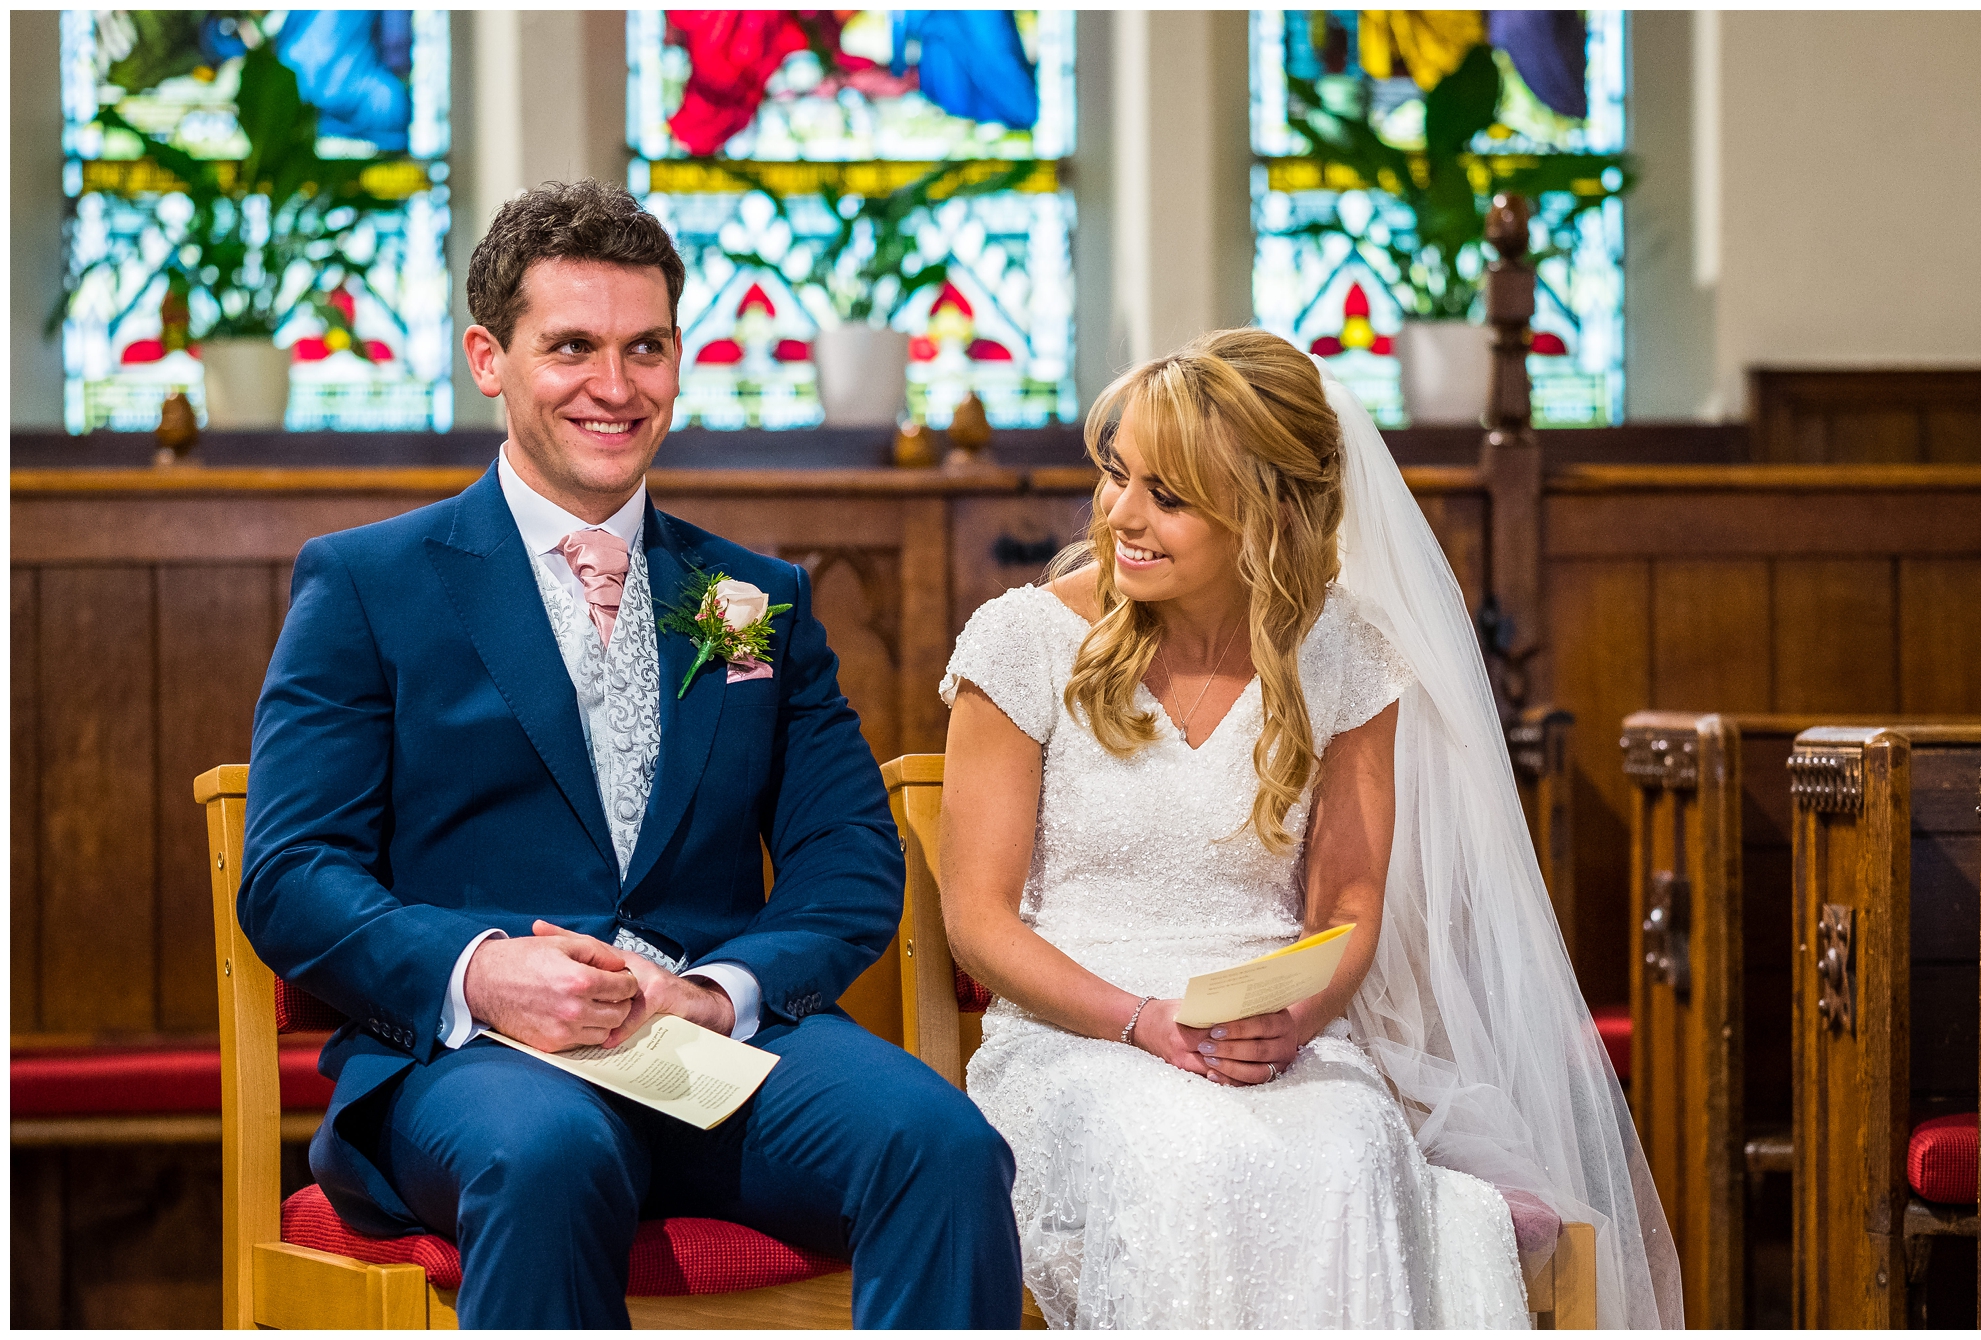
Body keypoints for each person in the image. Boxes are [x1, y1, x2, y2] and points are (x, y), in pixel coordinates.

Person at [240, 179, 1021, 1329]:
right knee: (547, 1153)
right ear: (487, 357)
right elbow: (292, 873)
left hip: (711, 1049)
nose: (615, 386)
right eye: (571, 346)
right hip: (475, 1065)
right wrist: (483, 971)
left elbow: (848, 858)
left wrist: (716, 991)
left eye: (645, 346)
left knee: (942, 1145)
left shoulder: (750, 599)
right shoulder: (369, 585)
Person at [938, 329, 1682, 1328]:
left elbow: (1347, 901)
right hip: (1079, 1039)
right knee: (1189, 1159)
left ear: (1263, 515)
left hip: (1275, 1038)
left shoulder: (1342, 657)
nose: (1119, 514)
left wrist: (1297, 1012)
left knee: (1350, 1150)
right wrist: (1140, 1017)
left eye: (1166, 496)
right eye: (1115, 475)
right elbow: (975, 918)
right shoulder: (1023, 639)